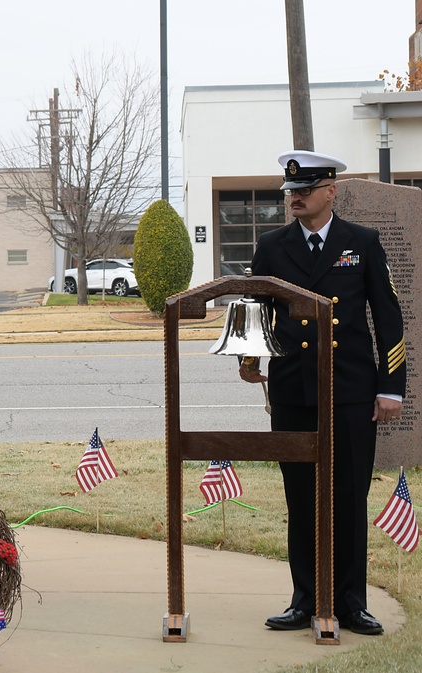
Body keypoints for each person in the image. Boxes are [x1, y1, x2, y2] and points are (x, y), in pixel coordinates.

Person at [239, 150, 406, 636]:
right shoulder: (271, 247)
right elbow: (256, 313)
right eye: (291, 191)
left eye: (305, 191)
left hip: (351, 391)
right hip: (293, 390)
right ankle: (305, 598)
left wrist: (390, 387)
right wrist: (250, 361)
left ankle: (352, 602)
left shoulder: (363, 242)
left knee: (350, 497)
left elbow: (388, 318)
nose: (295, 198)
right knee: (301, 498)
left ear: (331, 191)